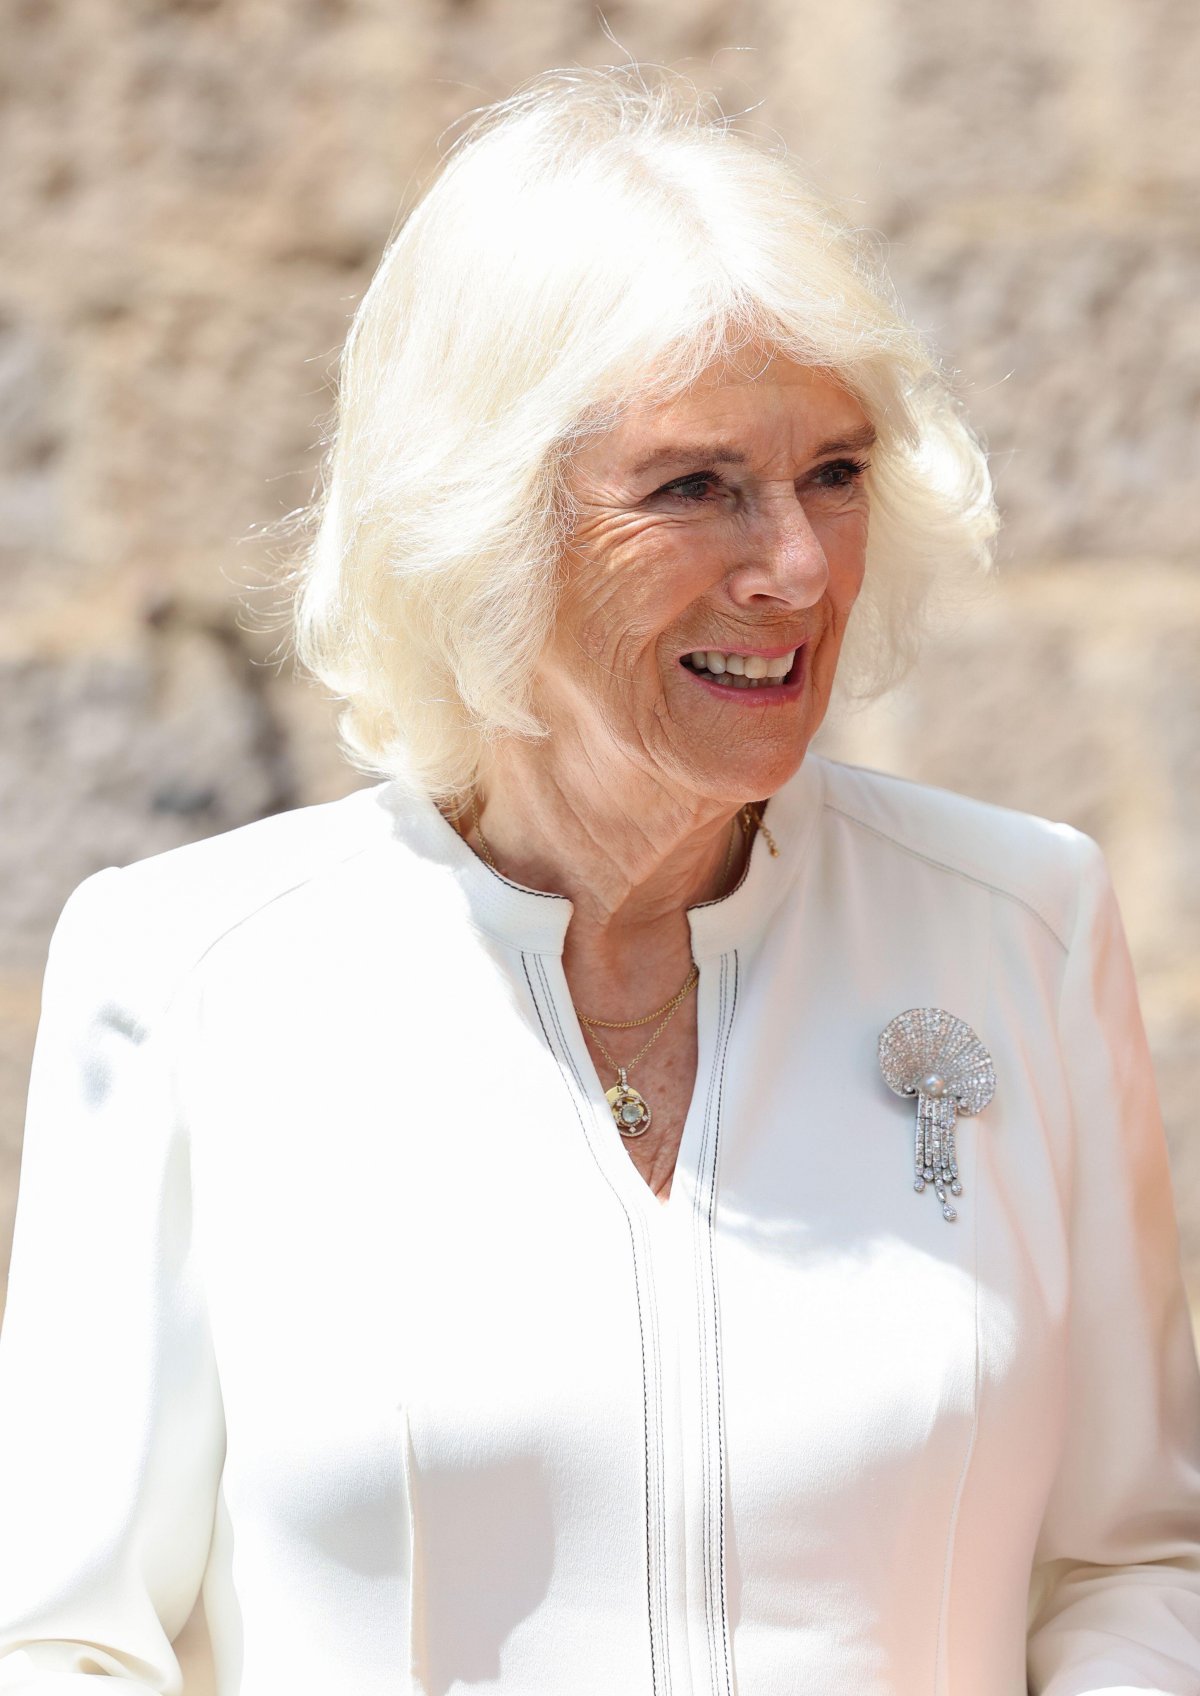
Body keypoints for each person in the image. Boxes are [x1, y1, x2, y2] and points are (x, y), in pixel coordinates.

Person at [1, 64, 1198, 1696]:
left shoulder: (1020, 929)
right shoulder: (191, 976)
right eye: (696, 486)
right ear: (486, 526)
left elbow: (1133, 1560)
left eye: (836, 473)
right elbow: (63, 1639)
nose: (795, 566)